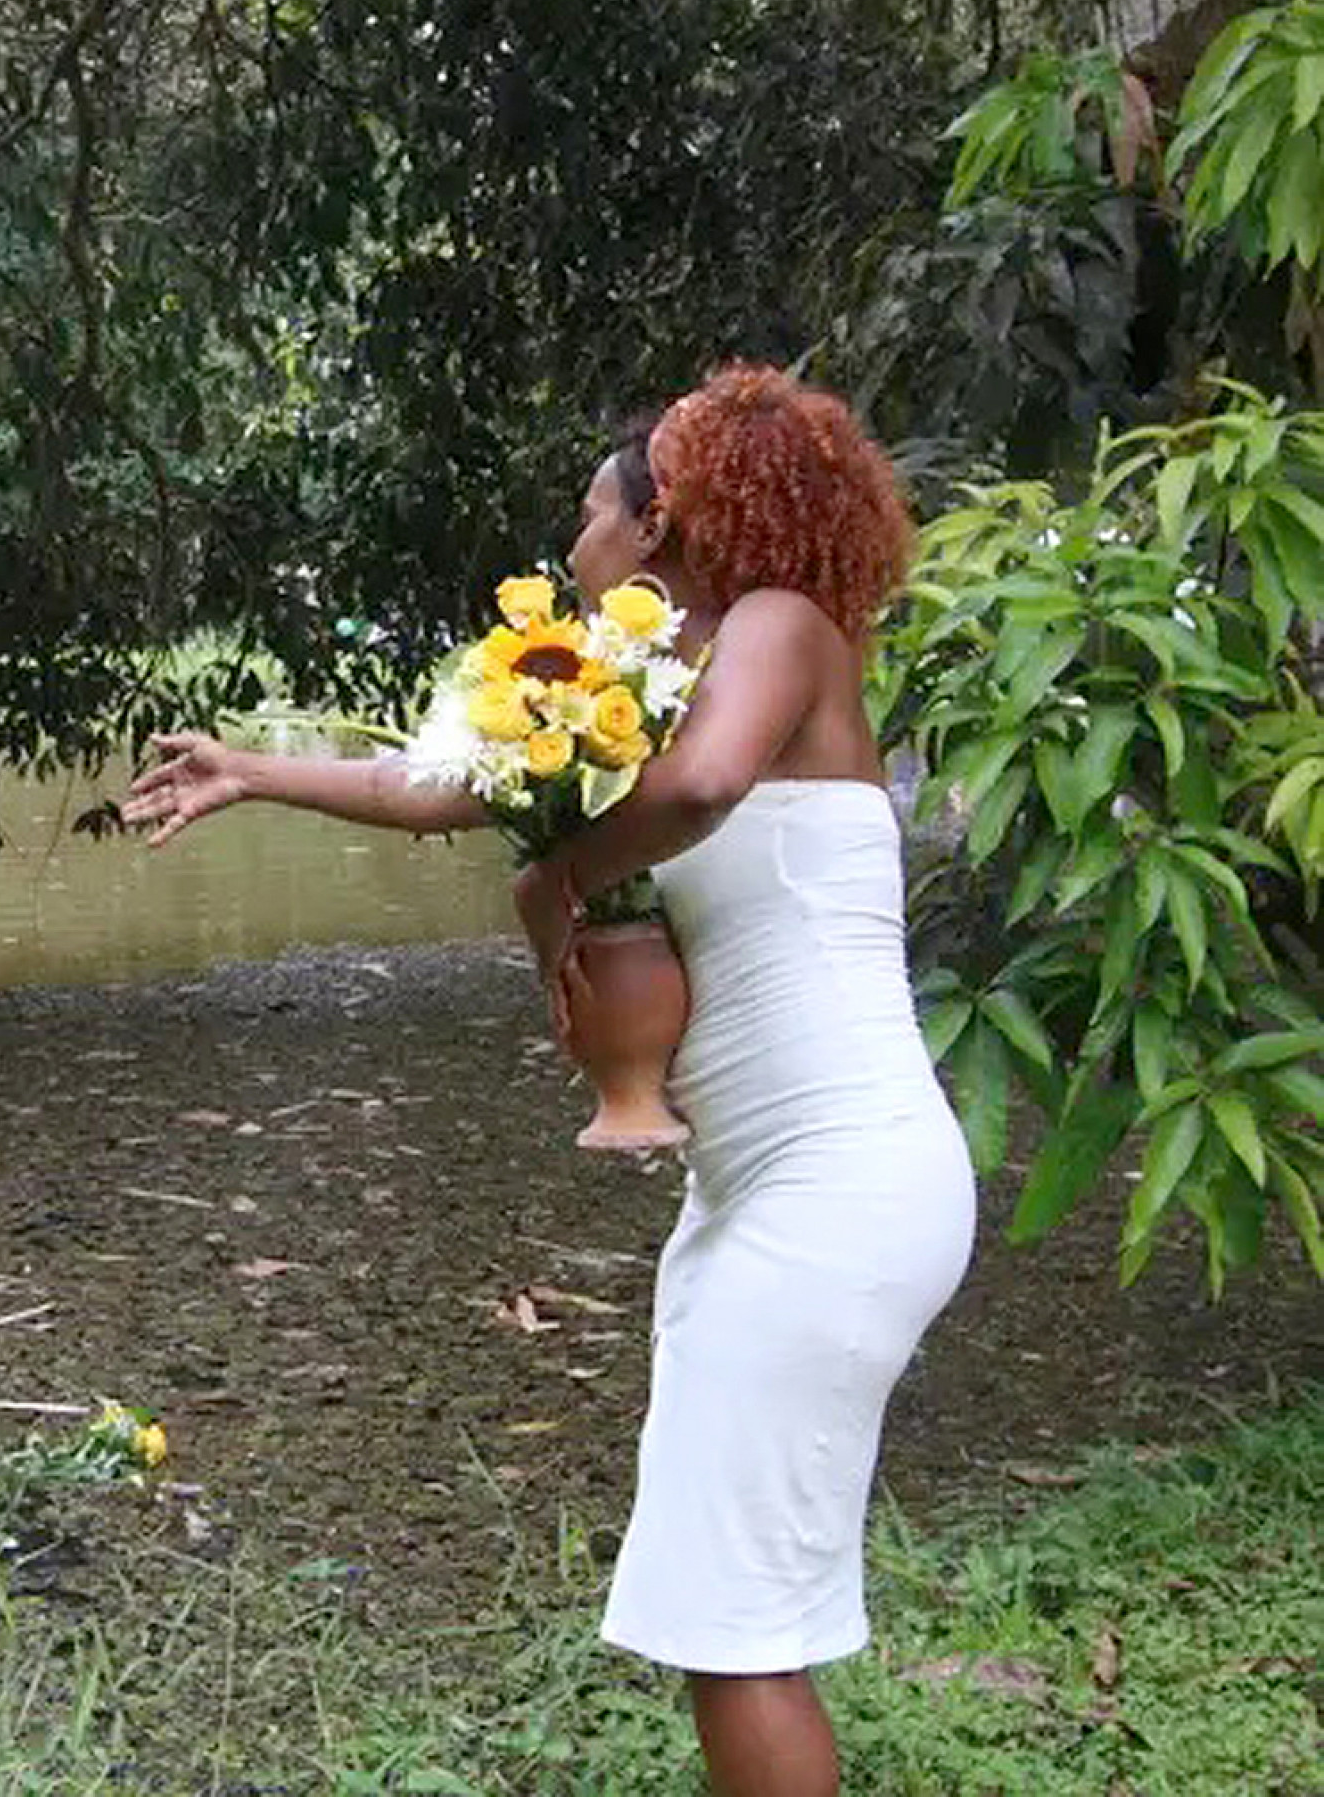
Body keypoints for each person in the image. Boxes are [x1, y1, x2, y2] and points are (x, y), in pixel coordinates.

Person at [124, 365, 972, 1797]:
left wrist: (560, 874)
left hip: (842, 1187)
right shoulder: (640, 687)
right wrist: (252, 772)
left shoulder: (778, 630)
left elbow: (696, 790)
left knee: (734, 1626)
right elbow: (442, 785)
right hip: (762, 1191)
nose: (571, 546)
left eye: (589, 515)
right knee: (743, 1605)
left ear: (665, 524)